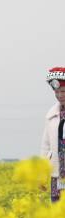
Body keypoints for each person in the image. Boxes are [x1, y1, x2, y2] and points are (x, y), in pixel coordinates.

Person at [40, 67, 65, 202]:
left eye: (63, 91)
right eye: (57, 91)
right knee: (57, 214)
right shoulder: (51, 116)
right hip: (57, 174)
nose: (60, 95)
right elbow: (46, 148)